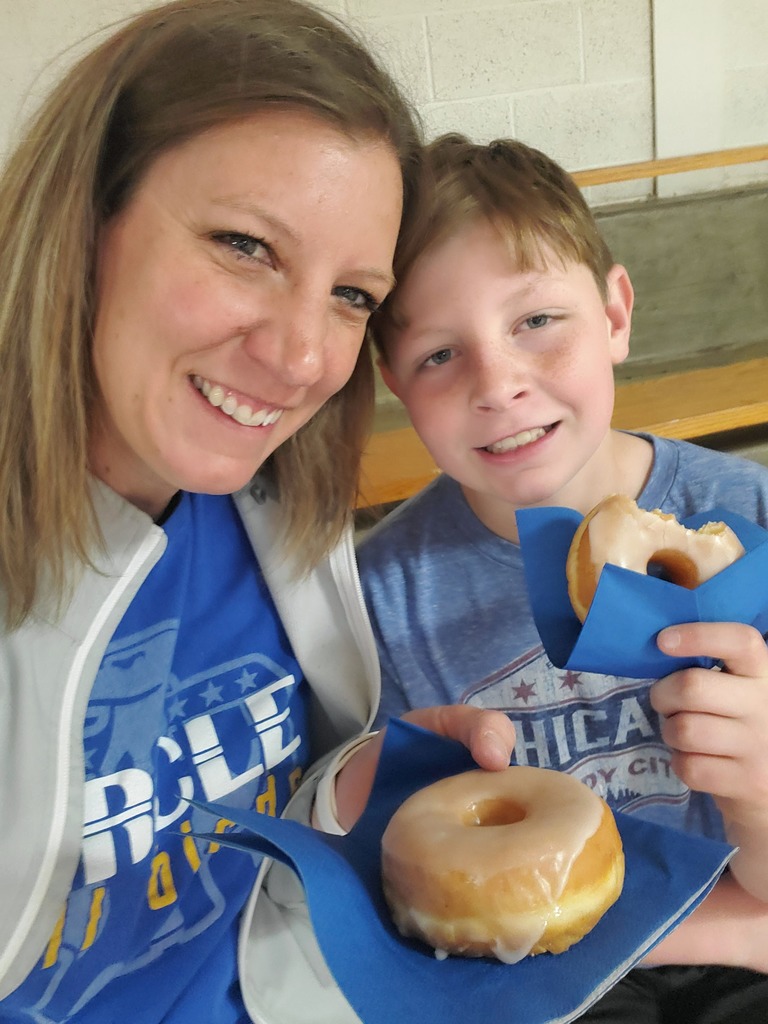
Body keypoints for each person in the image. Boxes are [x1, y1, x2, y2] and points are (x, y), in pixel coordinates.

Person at [0, 11, 517, 1023]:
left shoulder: (278, 517)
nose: (301, 358)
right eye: (246, 246)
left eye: (352, 295)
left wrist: (353, 785)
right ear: (88, 222)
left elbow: (229, 830)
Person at [358, 133, 768, 1021]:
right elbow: (421, 898)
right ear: (393, 380)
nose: (498, 383)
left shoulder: (750, 517)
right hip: (539, 980)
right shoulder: (383, 597)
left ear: (616, 315)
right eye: (438, 354)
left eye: (536, 320)